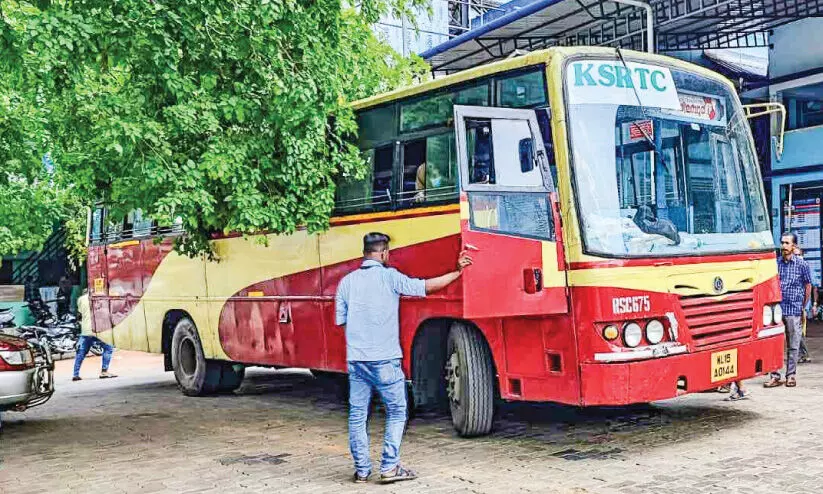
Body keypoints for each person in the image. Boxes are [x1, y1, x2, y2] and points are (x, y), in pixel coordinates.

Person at [335, 232, 472, 484]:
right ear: (384, 253)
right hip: (385, 360)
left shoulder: (346, 282)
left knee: (357, 415)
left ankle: (362, 471)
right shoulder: (390, 277)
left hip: (356, 361)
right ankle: (389, 467)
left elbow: (341, 320)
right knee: (397, 411)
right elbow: (425, 287)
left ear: (365, 252)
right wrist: (457, 272)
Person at [765, 233, 812, 388]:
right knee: (774, 344)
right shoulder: (775, 264)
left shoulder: (802, 264)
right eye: (782, 243)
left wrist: (803, 306)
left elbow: (807, 286)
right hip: (777, 310)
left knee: (793, 344)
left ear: (794, 246)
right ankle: (775, 376)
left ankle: (791, 375)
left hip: (793, 309)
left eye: (787, 243)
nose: (784, 246)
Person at [72, 290, 117, 381]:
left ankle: (75, 374)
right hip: (98, 329)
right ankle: (104, 371)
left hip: (85, 330)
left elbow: (80, 313)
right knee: (108, 347)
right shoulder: (100, 298)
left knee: (80, 352)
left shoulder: (81, 299)